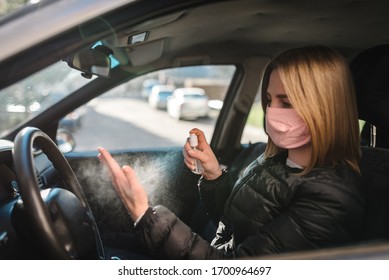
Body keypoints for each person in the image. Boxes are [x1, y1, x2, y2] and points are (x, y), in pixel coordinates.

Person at [97, 45, 365, 259]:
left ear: (324, 108)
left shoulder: (330, 200)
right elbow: (238, 221)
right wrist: (214, 175)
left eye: (287, 102)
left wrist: (146, 216)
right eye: (270, 100)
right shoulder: (278, 159)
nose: (272, 111)